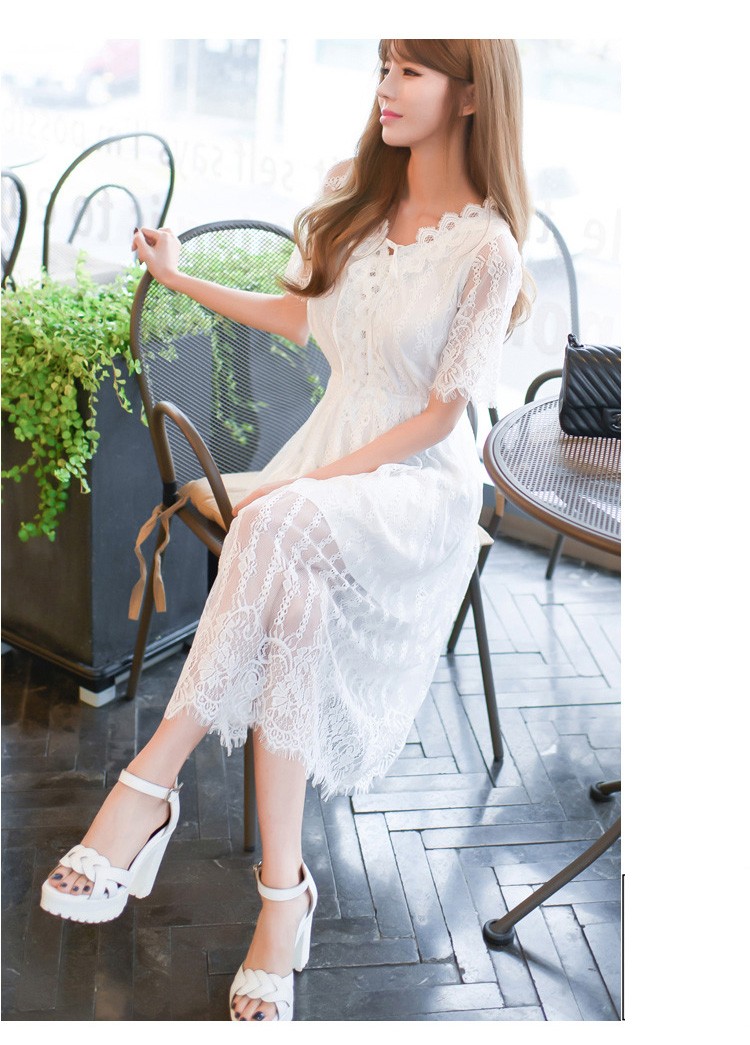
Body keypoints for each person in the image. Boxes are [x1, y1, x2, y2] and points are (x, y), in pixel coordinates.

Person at [40, 38, 533, 1022]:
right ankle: (281, 898)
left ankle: (146, 789)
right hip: (329, 459)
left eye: (412, 71)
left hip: (416, 488)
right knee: (290, 605)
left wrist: (303, 486)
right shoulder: (358, 194)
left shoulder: (489, 248)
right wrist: (179, 279)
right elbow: (297, 317)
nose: (386, 87)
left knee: (274, 519)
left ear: (473, 94)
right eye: (384, 66)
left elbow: (442, 418)